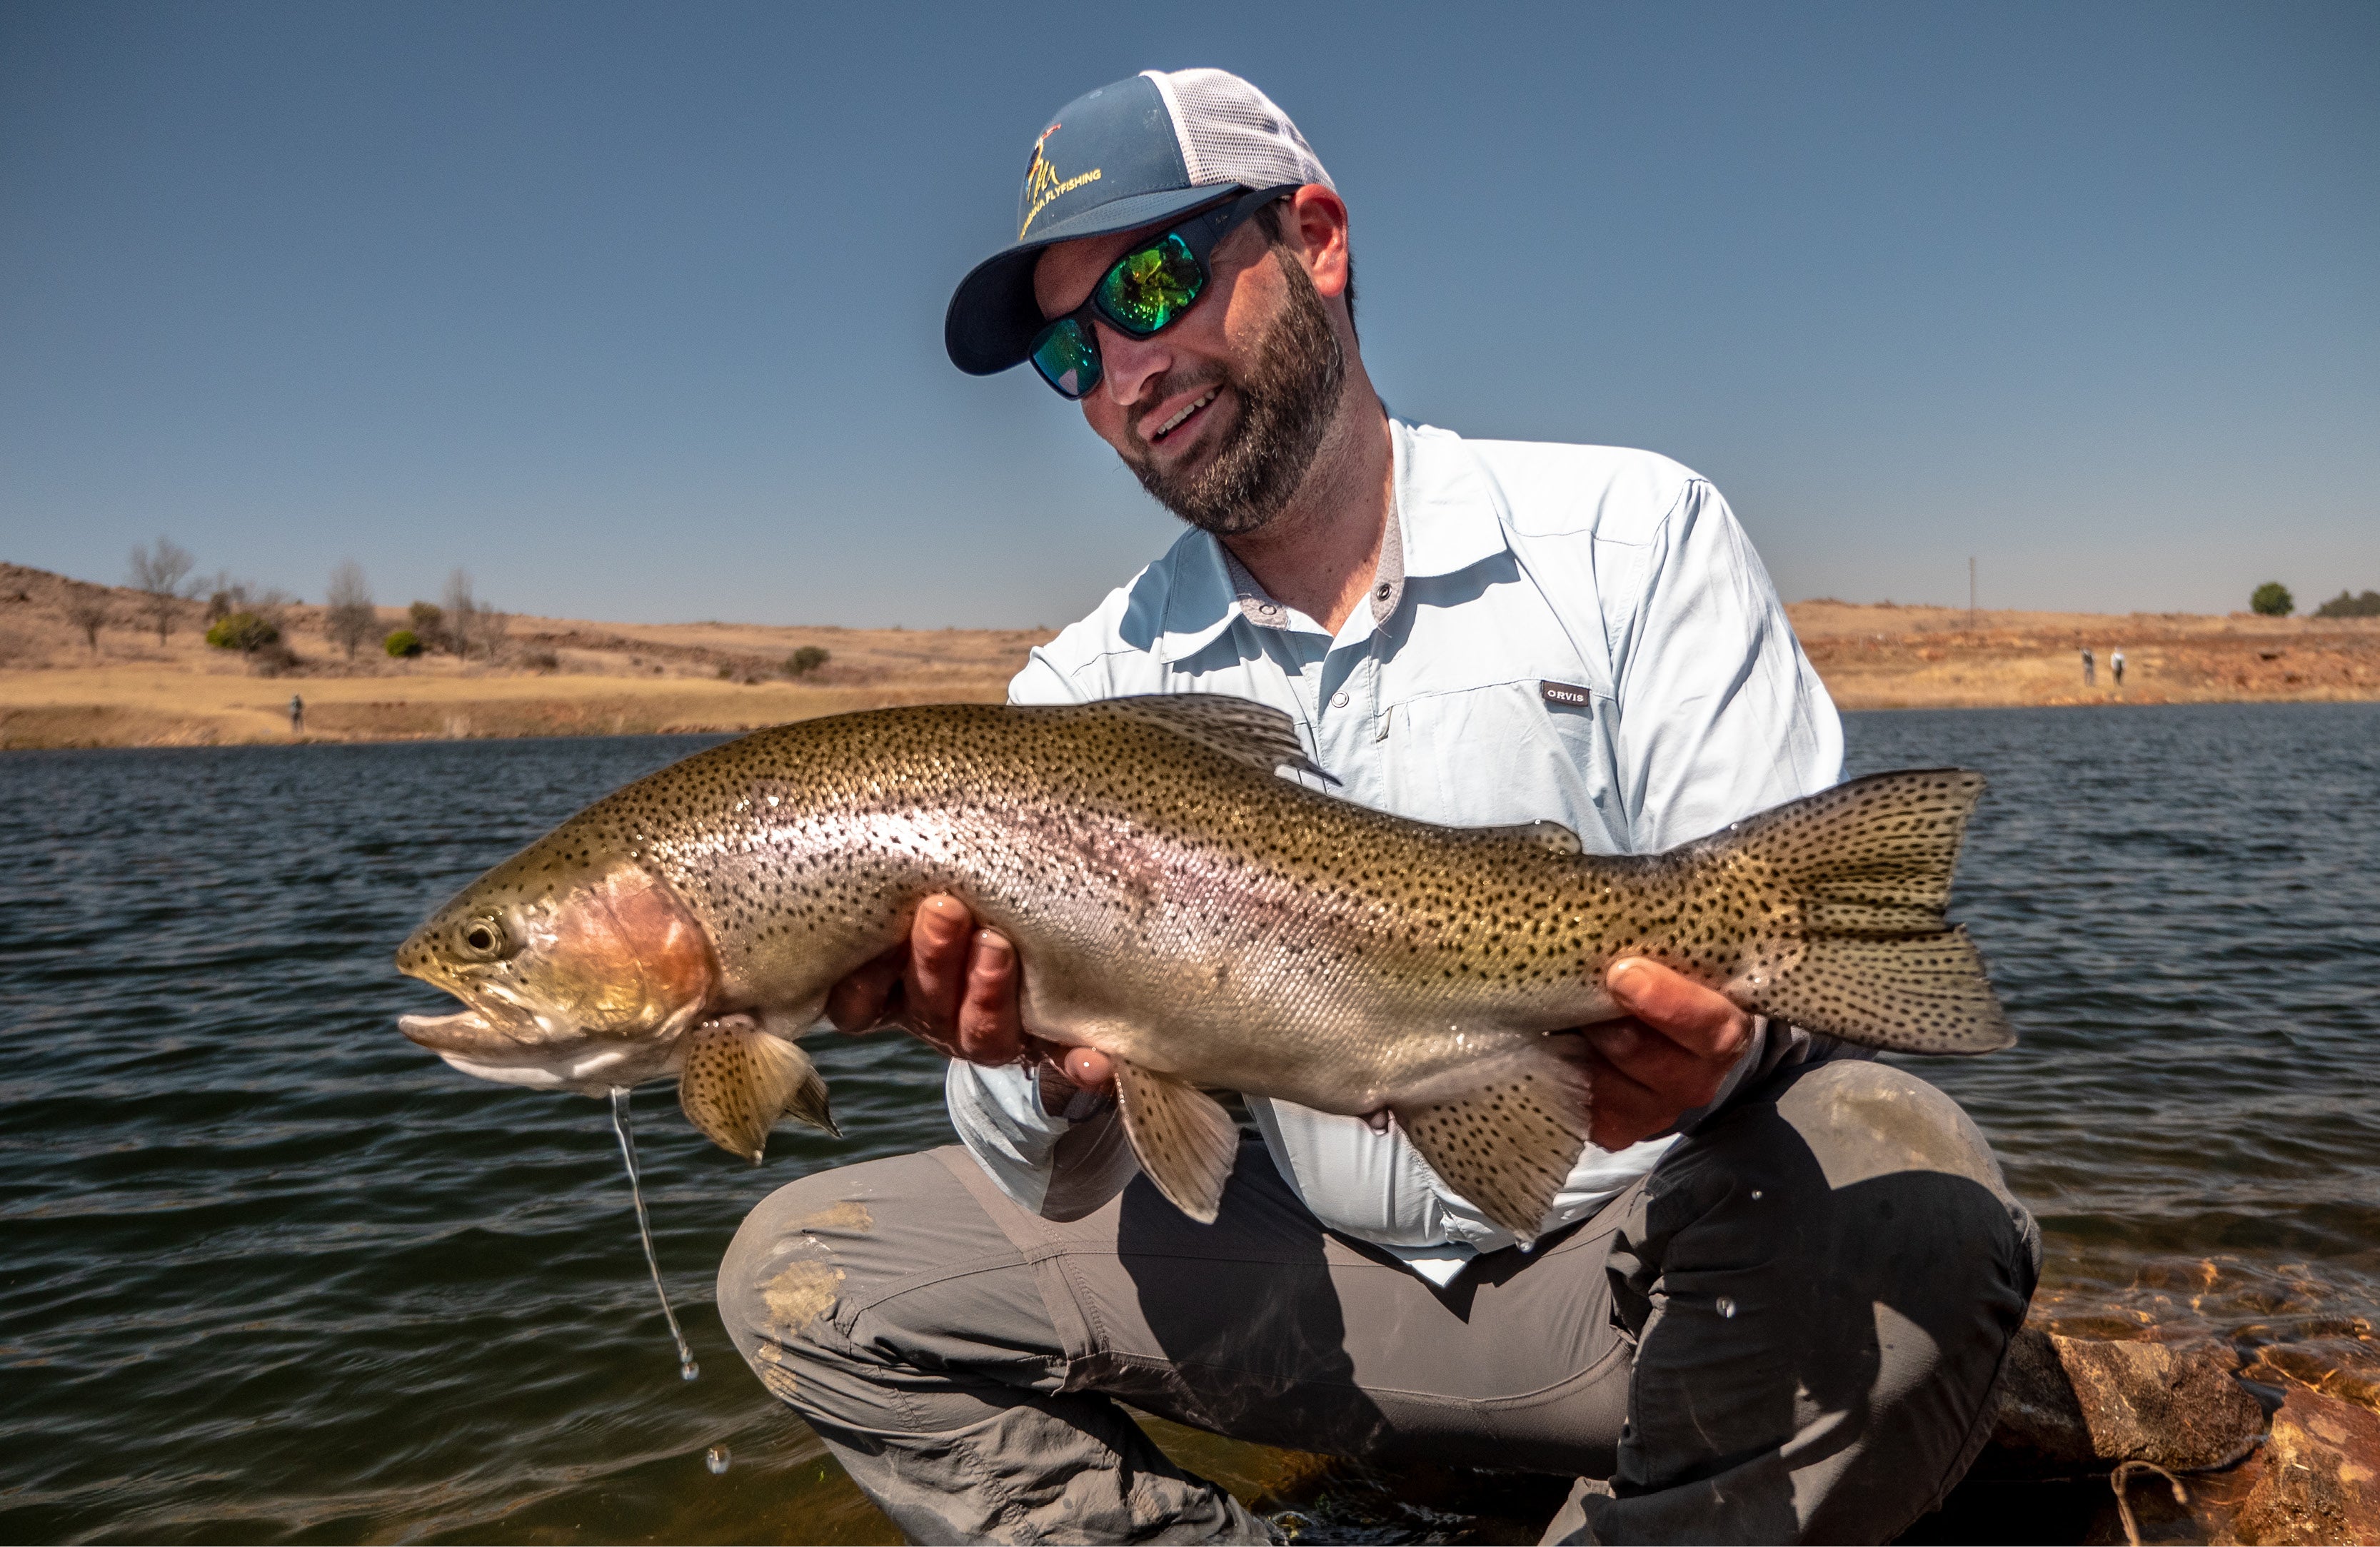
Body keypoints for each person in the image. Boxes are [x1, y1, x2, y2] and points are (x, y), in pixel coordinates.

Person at [718, 70, 2038, 1546]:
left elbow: (1802, 982)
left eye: (1150, 285)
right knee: (804, 1271)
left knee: (1913, 1182)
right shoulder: (1080, 684)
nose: (1121, 371)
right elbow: (1044, 1174)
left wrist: (1722, 1060)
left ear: (1318, 239)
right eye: (1066, 355)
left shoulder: (1630, 533)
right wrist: (1027, 1063)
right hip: (1301, 1294)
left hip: (1633, 1269)